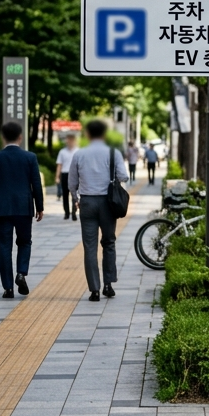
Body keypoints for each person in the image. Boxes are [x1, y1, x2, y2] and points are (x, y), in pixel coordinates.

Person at [0, 121, 45, 298]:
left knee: (4, 247)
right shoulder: (30, 157)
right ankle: (21, 273)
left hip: (1, 209)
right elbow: (36, 184)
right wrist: (39, 207)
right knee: (25, 242)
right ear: (20, 137)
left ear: (3, 137)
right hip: (24, 208)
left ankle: (8, 288)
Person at [69, 119, 128, 302]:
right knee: (109, 242)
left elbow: (72, 183)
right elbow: (124, 176)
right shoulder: (113, 153)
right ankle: (108, 285)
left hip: (87, 202)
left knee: (90, 247)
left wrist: (76, 199)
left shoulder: (79, 154)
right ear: (104, 134)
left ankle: (94, 289)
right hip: (107, 203)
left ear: (87, 134)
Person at [56, 134, 79, 221]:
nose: (69, 142)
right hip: (65, 174)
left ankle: (74, 213)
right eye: (67, 140)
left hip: (75, 174)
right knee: (65, 195)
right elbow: (59, 165)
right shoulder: (62, 152)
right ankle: (66, 213)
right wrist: (57, 176)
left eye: (70, 140)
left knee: (74, 194)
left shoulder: (78, 151)